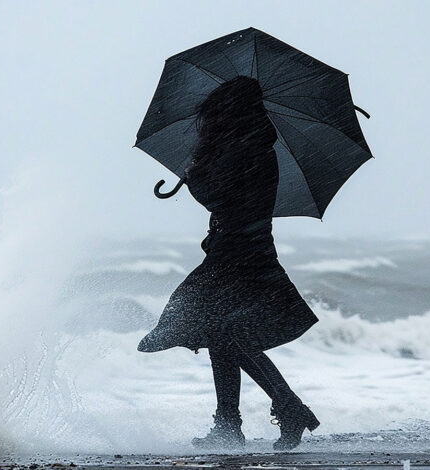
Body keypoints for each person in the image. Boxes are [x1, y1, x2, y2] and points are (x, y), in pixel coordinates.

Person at [137, 76, 320, 451]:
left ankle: (261, 416)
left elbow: (223, 199)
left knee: (219, 332)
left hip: (241, 253)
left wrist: (195, 176)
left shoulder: (251, 149)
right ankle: (245, 420)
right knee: (222, 334)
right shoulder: (248, 145)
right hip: (241, 249)